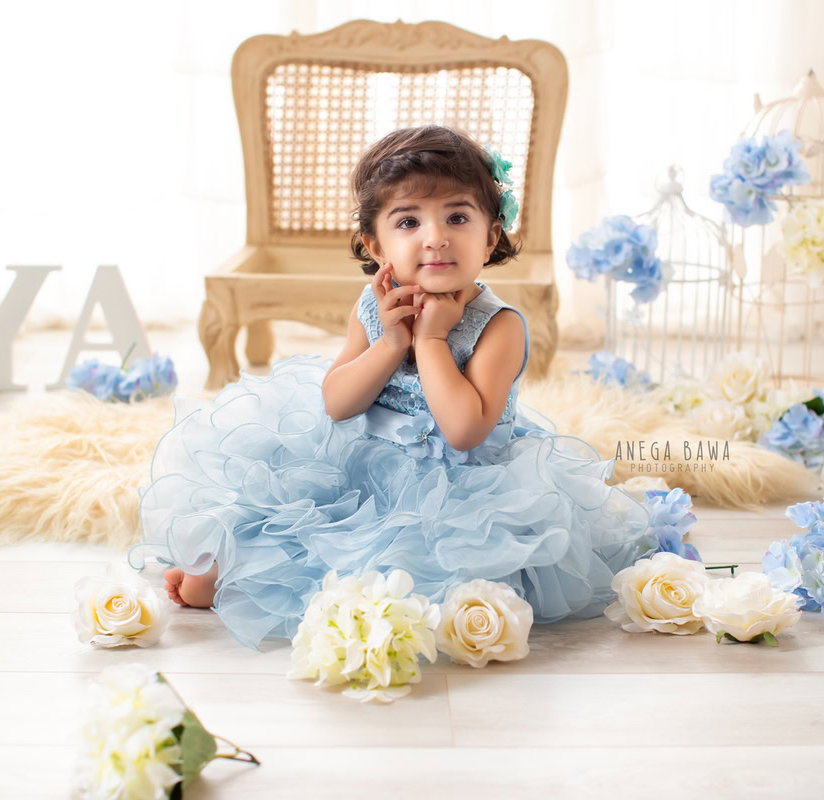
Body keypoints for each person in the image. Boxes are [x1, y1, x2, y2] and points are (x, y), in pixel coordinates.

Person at [131, 125, 657, 650]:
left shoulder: (500, 325)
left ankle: (305, 585)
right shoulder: (374, 305)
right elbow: (337, 404)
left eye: (457, 217)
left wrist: (431, 341)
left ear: (491, 236)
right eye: (409, 221)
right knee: (283, 514)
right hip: (356, 463)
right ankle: (235, 568)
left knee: (410, 576)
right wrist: (390, 342)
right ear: (376, 245)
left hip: (459, 487)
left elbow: (465, 430)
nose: (436, 237)